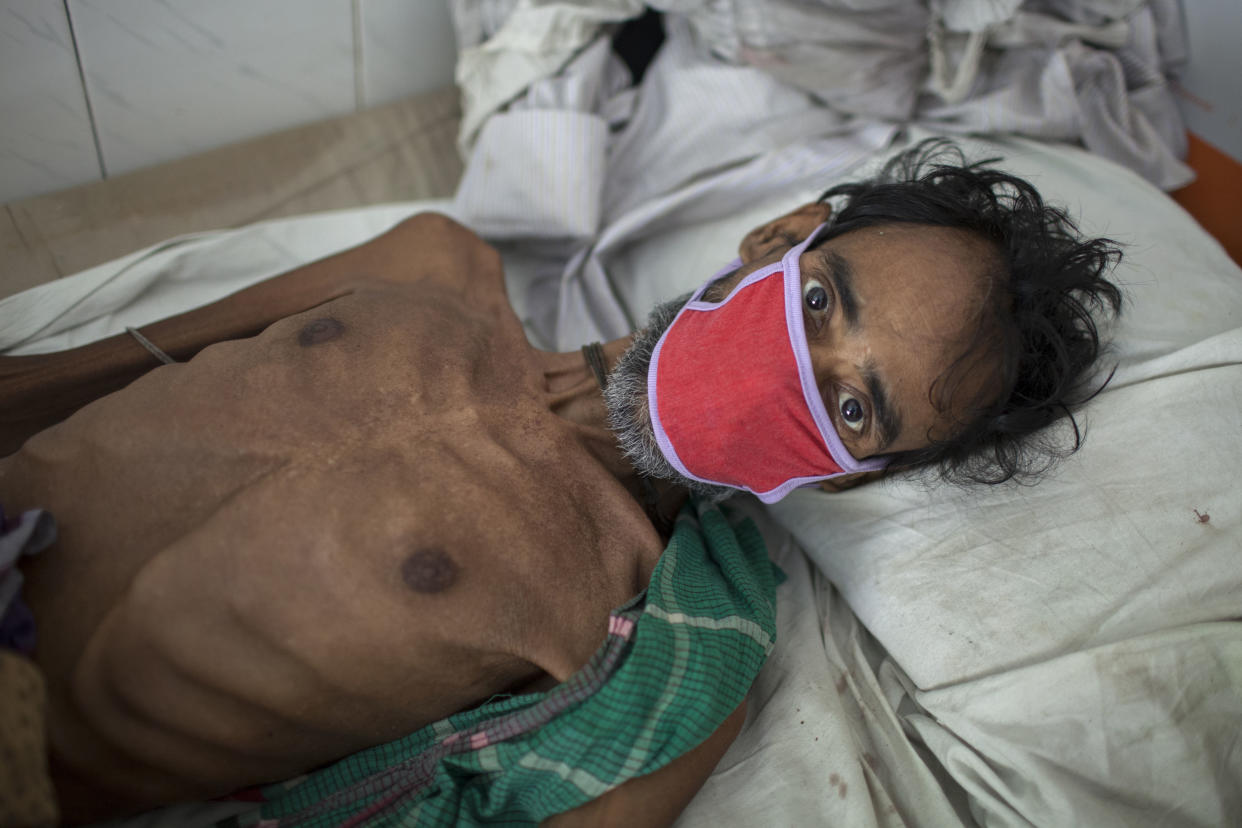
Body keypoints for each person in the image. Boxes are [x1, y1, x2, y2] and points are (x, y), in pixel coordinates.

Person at [0, 142, 1121, 825]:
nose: (798, 366)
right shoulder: (430, 267)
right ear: (777, 237)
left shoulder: (655, 643)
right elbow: (98, 365)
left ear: (842, 477)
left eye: (853, 405)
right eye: (822, 301)